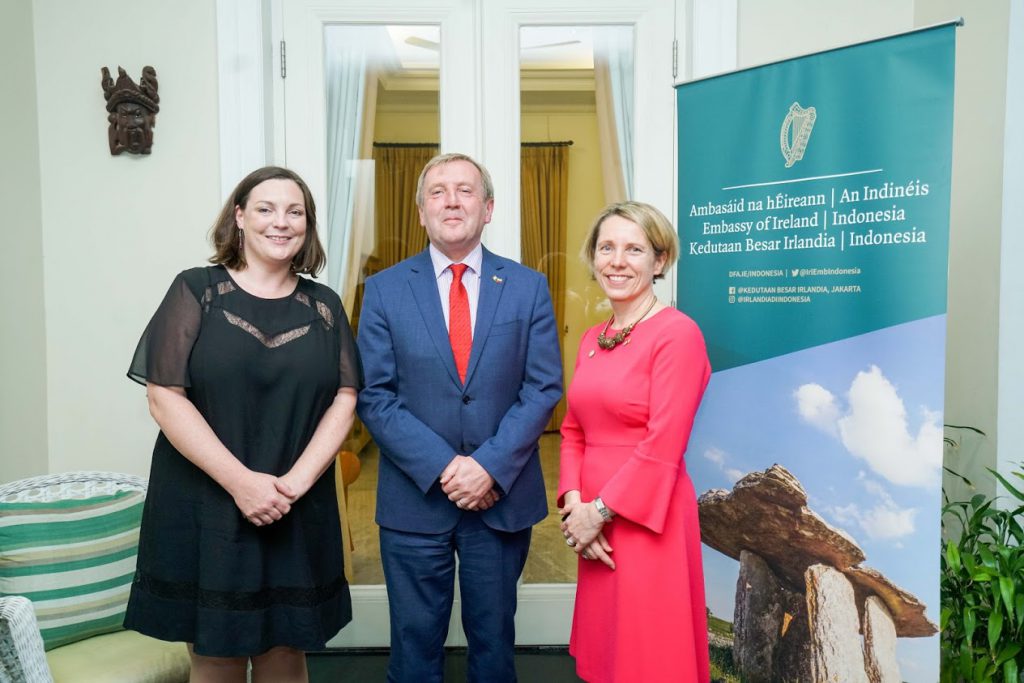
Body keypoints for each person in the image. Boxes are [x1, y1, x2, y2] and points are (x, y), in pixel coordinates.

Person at [125, 166, 360, 682]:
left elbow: (345, 398)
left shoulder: (325, 306)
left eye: (295, 211)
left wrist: (293, 485)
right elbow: (164, 396)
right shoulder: (196, 290)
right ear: (239, 217)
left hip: (292, 504)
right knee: (216, 655)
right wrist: (242, 483)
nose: (281, 222)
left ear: (308, 224)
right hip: (208, 504)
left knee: (285, 652)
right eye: (266, 209)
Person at [356, 152, 563, 682]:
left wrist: (487, 467)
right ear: (421, 210)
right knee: (413, 647)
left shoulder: (527, 286)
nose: (451, 200)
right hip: (414, 500)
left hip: (500, 500)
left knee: (494, 646)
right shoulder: (383, 290)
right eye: (438, 191)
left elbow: (542, 389)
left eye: (466, 190)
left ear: (488, 208)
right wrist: (451, 469)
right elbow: (376, 395)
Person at [558, 201, 711, 682]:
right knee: (608, 656)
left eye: (634, 249)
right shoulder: (591, 338)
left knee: (650, 657)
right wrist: (576, 507)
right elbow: (573, 430)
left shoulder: (678, 334)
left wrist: (597, 513)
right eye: (607, 247)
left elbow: (663, 445)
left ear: (659, 261)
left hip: (648, 520)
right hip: (595, 527)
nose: (617, 261)